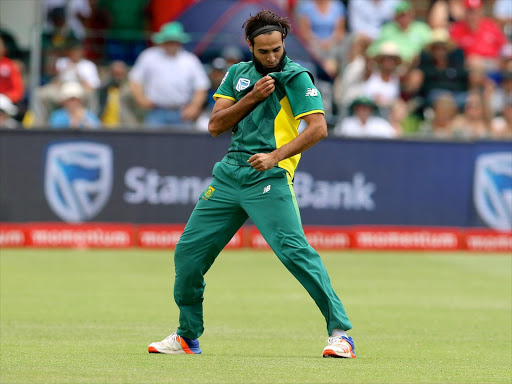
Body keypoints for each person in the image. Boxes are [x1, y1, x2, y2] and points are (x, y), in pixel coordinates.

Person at [148, 9, 355, 359]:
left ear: (283, 42)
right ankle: (187, 336)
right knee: (188, 254)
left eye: (277, 49)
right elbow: (215, 126)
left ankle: (341, 334)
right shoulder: (237, 74)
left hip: (269, 176)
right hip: (229, 174)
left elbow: (318, 128)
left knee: (295, 252)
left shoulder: (297, 76)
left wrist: (275, 157)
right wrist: (252, 97)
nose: (272, 57)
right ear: (250, 46)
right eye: (264, 51)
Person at [129, 21, 210, 129]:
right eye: (169, 41)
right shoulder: (149, 56)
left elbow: (201, 86)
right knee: (153, 144)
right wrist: (141, 98)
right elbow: (134, 79)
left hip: (181, 112)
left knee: (183, 145)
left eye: (174, 41)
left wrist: (194, 107)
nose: (171, 44)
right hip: (156, 111)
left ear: (179, 42)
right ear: (163, 41)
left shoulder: (190, 60)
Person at [33, 41, 100, 125]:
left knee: (92, 95)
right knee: (39, 94)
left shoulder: (88, 65)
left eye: (78, 51)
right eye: (73, 51)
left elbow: (92, 87)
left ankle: (92, 122)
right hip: (62, 89)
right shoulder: (62, 62)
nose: (75, 54)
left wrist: (79, 75)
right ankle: (40, 124)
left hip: (80, 89)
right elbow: (54, 82)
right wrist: (63, 73)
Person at [408, 28, 468, 110]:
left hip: (457, 97)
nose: (439, 52)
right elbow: (414, 89)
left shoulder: (456, 65)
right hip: (434, 98)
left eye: (442, 48)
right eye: (436, 49)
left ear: (447, 50)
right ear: (432, 51)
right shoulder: (425, 67)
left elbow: (465, 81)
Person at [367, 0, 431, 65]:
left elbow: (430, 47)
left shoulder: (422, 28)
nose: (404, 18)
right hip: (390, 66)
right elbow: (372, 51)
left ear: (412, 14)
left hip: (414, 66)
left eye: (406, 15)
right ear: (395, 17)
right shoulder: (387, 29)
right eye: (400, 15)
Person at [449, 0, 507, 72]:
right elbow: (452, 54)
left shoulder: (491, 26)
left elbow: (504, 49)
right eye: (470, 12)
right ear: (465, 12)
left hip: (492, 68)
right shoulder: (457, 29)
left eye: (476, 12)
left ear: (481, 12)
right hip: (467, 70)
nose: (473, 16)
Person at [295, 0, 347, 77]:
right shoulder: (305, 6)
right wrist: (319, 42)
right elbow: (305, 32)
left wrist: (329, 42)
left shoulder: (338, 6)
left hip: (334, 44)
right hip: (313, 45)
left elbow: (340, 31)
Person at [97, 60, 139, 128]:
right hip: (105, 127)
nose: (118, 78)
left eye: (121, 74)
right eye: (116, 74)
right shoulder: (104, 90)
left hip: (127, 127)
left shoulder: (131, 90)